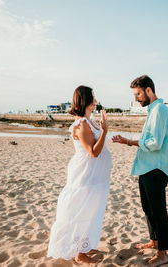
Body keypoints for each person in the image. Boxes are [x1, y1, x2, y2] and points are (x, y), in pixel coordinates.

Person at [112, 75, 168, 267]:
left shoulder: (160, 110)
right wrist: (128, 141)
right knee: (148, 209)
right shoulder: (153, 110)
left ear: (148, 90)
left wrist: (130, 142)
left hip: (156, 168)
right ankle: (154, 241)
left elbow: (155, 143)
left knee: (158, 211)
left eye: (138, 94)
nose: (136, 98)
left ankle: (163, 254)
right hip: (146, 167)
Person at [47, 85, 111, 264]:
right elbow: (93, 152)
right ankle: (78, 253)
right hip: (85, 175)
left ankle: (83, 247)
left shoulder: (90, 121)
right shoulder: (81, 124)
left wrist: (102, 128)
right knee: (80, 210)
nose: (96, 100)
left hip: (96, 177)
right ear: (85, 101)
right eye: (93, 97)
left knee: (90, 211)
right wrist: (105, 130)